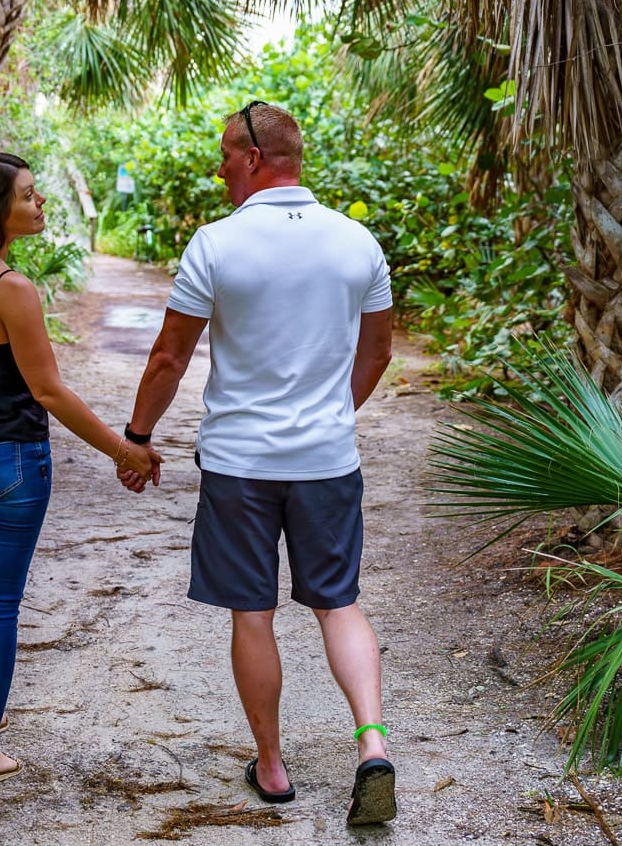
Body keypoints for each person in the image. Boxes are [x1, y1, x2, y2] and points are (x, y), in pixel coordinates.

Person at [119, 102, 398, 825]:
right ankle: (371, 745)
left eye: (223, 155)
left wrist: (138, 433)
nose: (218, 169)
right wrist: (332, 417)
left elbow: (170, 356)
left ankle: (272, 769)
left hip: (241, 463)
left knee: (254, 612)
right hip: (327, 460)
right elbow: (377, 354)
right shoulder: (357, 242)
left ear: (251, 157)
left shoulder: (216, 244)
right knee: (338, 602)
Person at [0, 152, 161, 790]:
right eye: (29, 195)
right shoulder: (10, 288)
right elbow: (48, 391)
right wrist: (122, 449)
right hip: (8, 461)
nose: (40, 204)